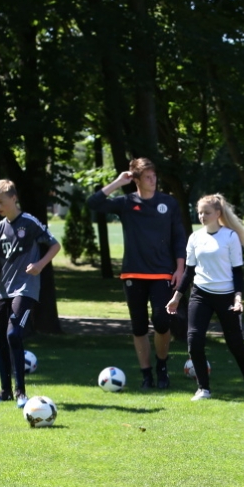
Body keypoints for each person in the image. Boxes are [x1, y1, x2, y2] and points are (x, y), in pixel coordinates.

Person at [87, 157, 187, 389]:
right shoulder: (126, 203)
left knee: (161, 321)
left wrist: (180, 269)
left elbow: (179, 237)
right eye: (148, 177)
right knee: (139, 327)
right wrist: (117, 182)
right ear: (137, 180)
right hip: (133, 273)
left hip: (162, 273)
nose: (153, 180)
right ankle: (146, 375)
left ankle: (162, 367)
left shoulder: (168, 203)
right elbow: (93, 203)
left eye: (154, 176)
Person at [165, 194, 244, 400]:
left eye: (206, 212)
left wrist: (238, 298)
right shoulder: (195, 238)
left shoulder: (230, 237)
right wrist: (176, 297)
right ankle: (204, 389)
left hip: (226, 296)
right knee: (194, 341)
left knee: (235, 343)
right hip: (201, 294)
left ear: (218, 213)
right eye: (199, 213)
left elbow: (237, 272)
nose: (202, 216)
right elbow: (189, 272)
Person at [0, 179, 61, 408]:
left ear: (14, 198)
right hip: (4, 290)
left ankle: (21, 393)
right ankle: (4, 391)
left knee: (14, 334)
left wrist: (40, 265)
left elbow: (55, 245)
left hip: (26, 288)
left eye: (1, 202)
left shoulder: (29, 222)